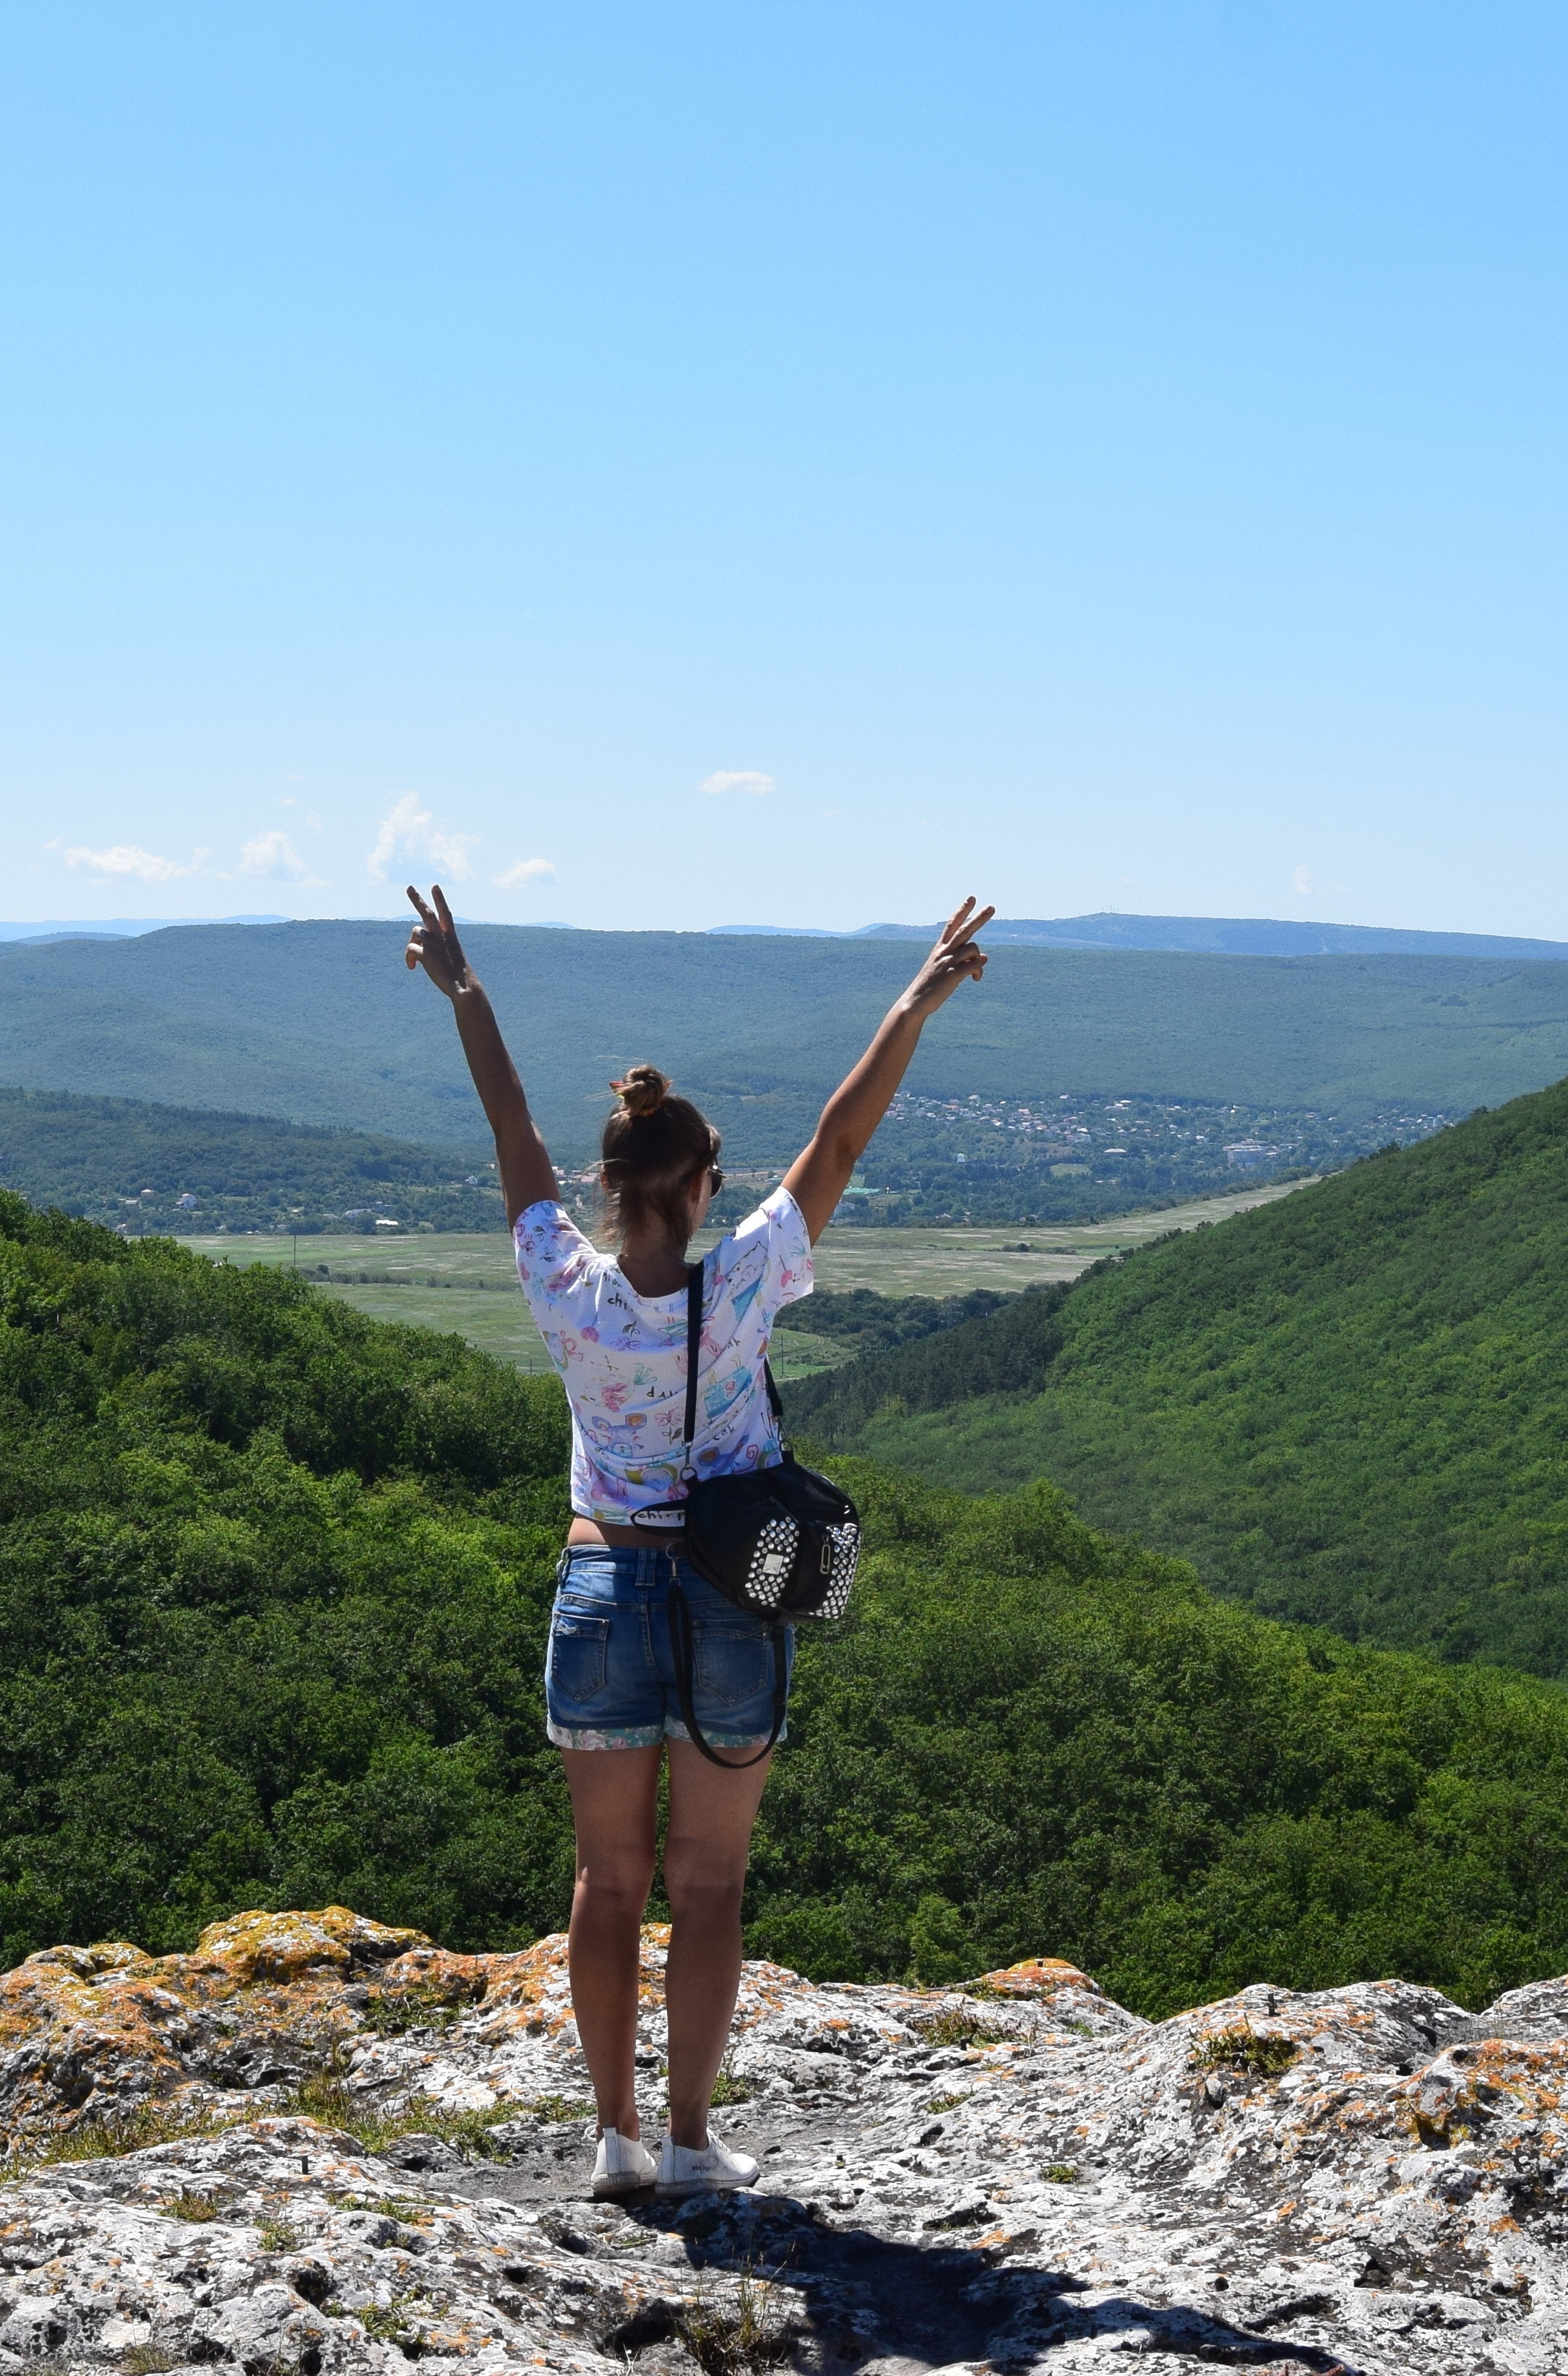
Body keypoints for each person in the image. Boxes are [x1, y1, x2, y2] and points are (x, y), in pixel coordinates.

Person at [402, 884, 996, 2201]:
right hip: (729, 1596)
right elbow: (841, 1140)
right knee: (709, 1882)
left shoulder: (562, 1287)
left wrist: (468, 993)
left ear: (607, 1187)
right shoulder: (743, 1285)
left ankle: (614, 2140)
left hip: (602, 1582)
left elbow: (510, 1129)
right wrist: (916, 996)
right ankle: (687, 2137)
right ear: (705, 1182)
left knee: (604, 1881)